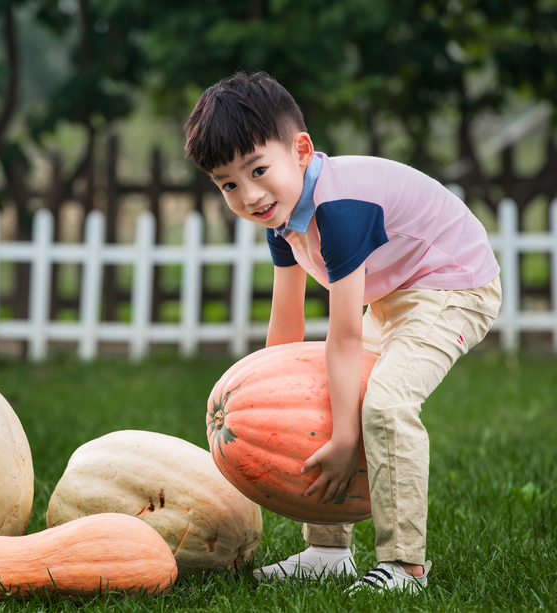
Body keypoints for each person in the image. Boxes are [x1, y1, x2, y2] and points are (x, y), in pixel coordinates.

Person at [184, 71, 501, 593]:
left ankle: (405, 565)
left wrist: (347, 435)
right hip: (394, 290)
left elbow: (345, 335)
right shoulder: (281, 219)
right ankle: (326, 551)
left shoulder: (339, 210)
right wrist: (270, 397)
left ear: (301, 150)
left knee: (382, 405)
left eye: (259, 170)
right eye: (229, 185)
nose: (251, 195)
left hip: (453, 287)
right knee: (321, 395)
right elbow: (287, 324)